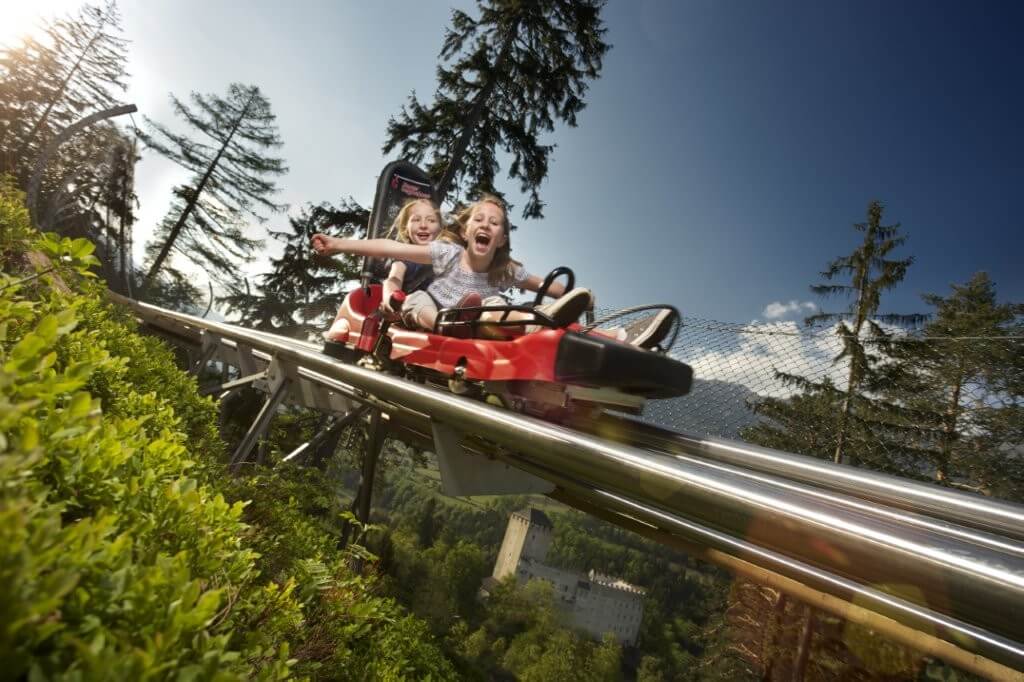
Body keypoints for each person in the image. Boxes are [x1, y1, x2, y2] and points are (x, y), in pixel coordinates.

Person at [312, 194, 592, 334]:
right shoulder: (441, 254)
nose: (486, 226)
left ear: (502, 238)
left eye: (494, 223)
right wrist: (339, 244)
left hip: (474, 315)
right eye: (479, 220)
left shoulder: (498, 266)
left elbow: (542, 284)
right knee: (418, 298)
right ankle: (447, 325)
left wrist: (573, 297)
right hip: (425, 314)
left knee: (495, 302)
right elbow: (392, 264)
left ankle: (542, 322)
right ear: (465, 231)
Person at [322, 197, 449, 341]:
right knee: (419, 298)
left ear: (440, 229)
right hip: (407, 313)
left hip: (446, 309)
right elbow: (393, 279)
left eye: (431, 220)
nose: (424, 225)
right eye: (416, 220)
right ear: (405, 229)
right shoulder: (404, 258)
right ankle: (446, 327)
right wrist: (391, 298)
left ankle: (468, 321)